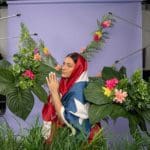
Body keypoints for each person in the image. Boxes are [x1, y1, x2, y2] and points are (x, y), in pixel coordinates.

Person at [42, 52, 100, 143]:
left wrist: (54, 92)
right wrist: (55, 92)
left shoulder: (79, 90)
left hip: (80, 138)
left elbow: (65, 119)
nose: (63, 68)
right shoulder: (71, 83)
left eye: (69, 65)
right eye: (64, 63)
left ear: (78, 69)